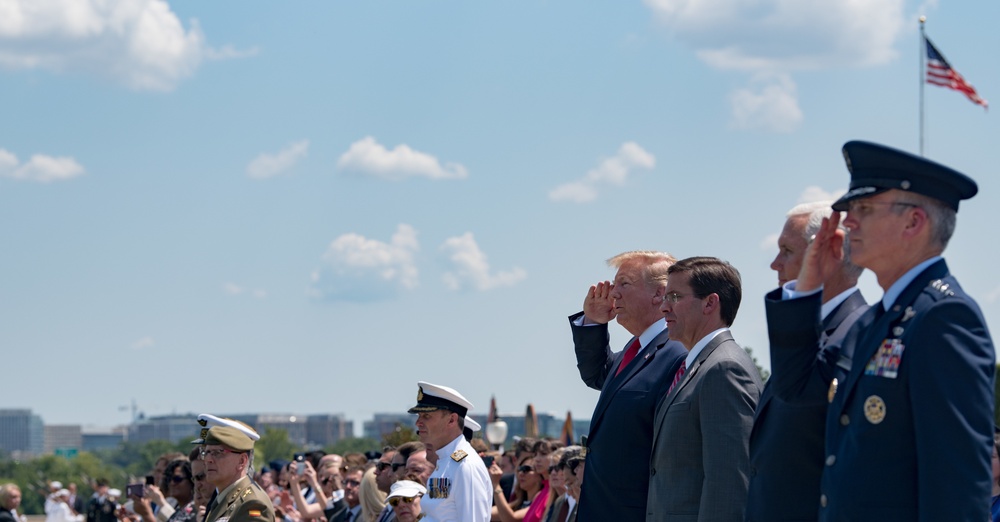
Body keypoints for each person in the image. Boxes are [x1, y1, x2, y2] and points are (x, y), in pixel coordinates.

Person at [767, 140, 995, 521]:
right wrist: (808, 286)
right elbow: (796, 387)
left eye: (864, 208)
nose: (849, 221)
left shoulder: (945, 318)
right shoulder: (877, 320)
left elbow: (957, 483)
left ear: (913, 222)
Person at [745, 201, 868, 522]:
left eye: (787, 250)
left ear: (831, 252)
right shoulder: (811, 334)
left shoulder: (860, 334)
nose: (775, 263)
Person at [568, 251, 687, 522]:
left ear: (660, 294)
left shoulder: (678, 353)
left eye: (624, 284)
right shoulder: (633, 351)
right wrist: (594, 324)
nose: (613, 294)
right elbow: (597, 375)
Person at [647, 256, 762, 521]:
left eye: (674, 297)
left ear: (710, 303)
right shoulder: (700, 366)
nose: (664, 307)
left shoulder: (724, 369)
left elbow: (729, 482)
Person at [409, 381, 491, 522]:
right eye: (419, 416)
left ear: (451, 420)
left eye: (426, 416)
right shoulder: (446, 461)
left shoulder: (465, 465)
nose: (418, 422)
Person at [201, 423, 275, 522]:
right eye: (206, 452)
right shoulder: (224, 498)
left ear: (242, 461)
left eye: (217, 453)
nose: (208, 459)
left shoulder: (252, 503)